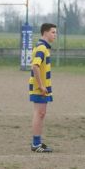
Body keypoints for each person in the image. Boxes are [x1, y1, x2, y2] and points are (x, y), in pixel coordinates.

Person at [29, 23, 57, 153]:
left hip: (43, 87)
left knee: (41, 113)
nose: (55, 35)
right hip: (40, 88)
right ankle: (35, 144)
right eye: (53, 32)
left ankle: (37, 142)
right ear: (45, 33)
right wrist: (41, 85)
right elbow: (35, 66)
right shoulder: (41, 48)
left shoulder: (44, 48)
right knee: (39, 113)